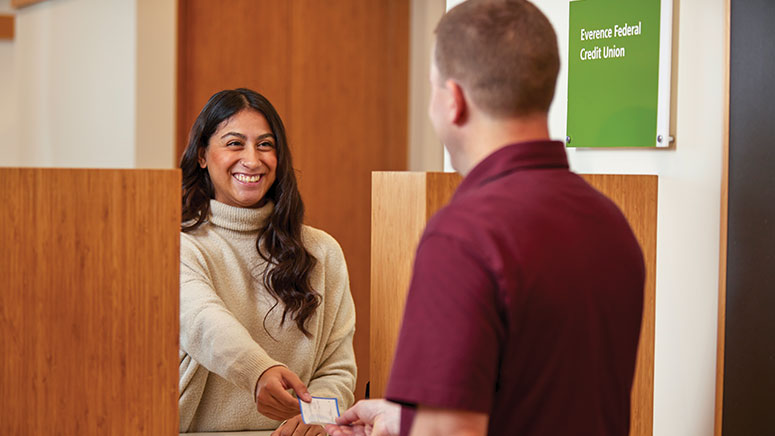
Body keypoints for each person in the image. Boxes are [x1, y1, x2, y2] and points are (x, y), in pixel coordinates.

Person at [326, 1, 645, 435]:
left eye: (432, 88)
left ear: (454, 100)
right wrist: (402, 421)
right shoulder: (610, 223)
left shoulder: (463, 236)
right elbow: (540, 398)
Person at [178, 88, 357, 435]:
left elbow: (337, 368)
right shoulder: (179, 245)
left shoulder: (322, 251)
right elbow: (203, 320)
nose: (252, 159)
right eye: (234, 144)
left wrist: (316, 418)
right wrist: (258, 371)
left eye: (265, 144)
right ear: (202, 155)